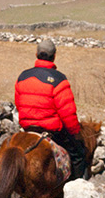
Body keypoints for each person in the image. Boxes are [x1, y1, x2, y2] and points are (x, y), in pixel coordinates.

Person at [14, 40, 87, 180]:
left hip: (28, 128)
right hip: (52, 131)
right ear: (54, 56)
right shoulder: (59, 79)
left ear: (36, 54)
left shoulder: (23, 76)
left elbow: (18, 104)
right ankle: (74, 187)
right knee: (78, 155)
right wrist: (75, 133)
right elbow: (68, 113)